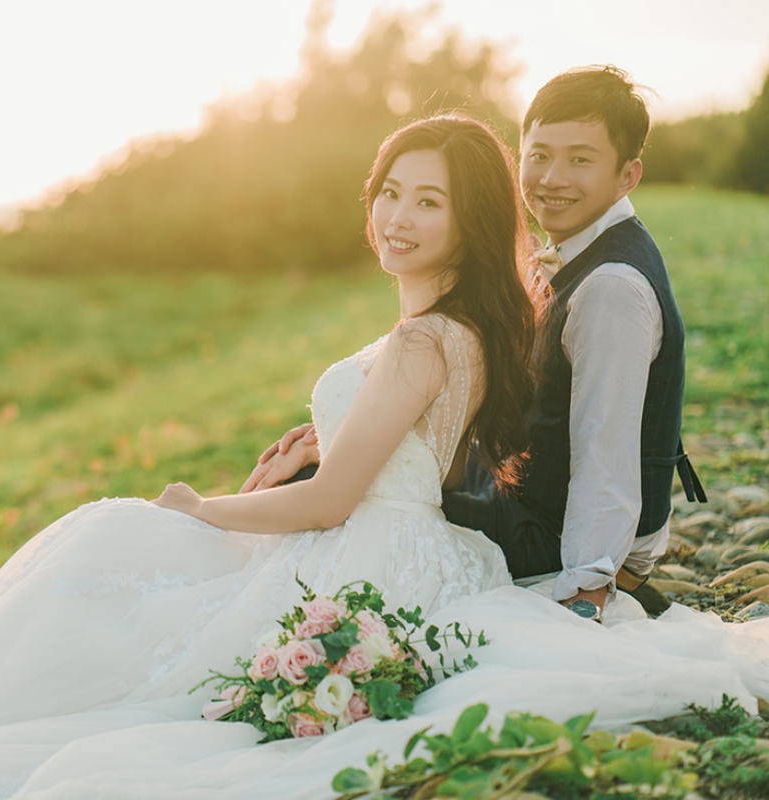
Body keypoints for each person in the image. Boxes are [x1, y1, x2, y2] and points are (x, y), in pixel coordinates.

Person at [0, 113, 763, 800]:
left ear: (469, 220)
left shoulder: (425, 339)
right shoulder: (450, 328)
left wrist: (202, 508)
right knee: (118, 568)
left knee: (107, 541)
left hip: (368, 553)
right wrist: (295, 471)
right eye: (391, 193)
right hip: (393, 543)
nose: (398, 219)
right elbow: (390, 456)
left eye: (430, 202)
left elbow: (333, 503)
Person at [253, 66, 706, 621]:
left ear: (628, 174)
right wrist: (346, 442)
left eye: (581, 159)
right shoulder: (574, 251)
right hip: (529, 498)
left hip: (554, 536)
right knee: (324, 481)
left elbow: (604, 455)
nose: (552, 177)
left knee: (322, 501)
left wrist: (588, 591)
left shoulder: (611, 287)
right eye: (539, 155)